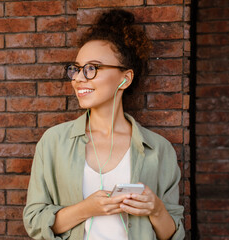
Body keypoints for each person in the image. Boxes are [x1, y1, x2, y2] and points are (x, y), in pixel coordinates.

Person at [23, 9, 185, 240]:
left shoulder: (159, 149)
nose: (79, 78)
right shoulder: (54, 141)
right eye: (77, 69)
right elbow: (34, 220)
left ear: (125, 78)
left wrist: (156, 209)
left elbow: (173, 234)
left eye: (92, 68)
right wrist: (86, 209)